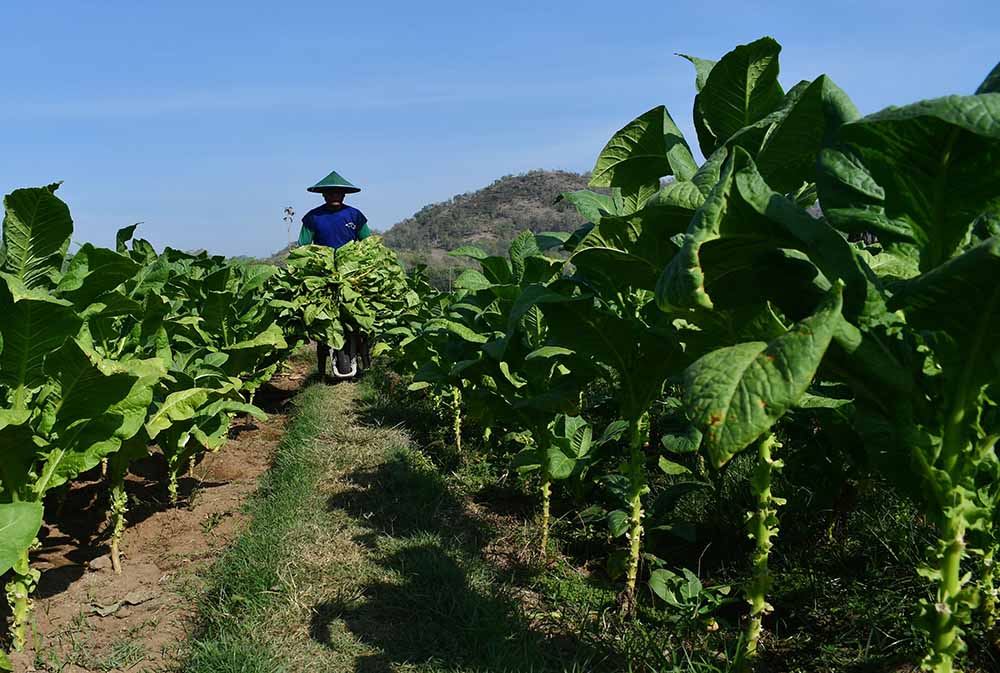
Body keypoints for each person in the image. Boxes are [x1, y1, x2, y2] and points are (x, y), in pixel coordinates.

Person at [299, 169, 372, 380]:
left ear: (344, 195)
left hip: (353, 273)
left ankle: (365, 361)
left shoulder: (355, 215)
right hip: (323, 274)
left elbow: (367, 243)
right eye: (330, 193)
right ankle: (321, 369)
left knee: (362, 317)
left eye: (338, 193)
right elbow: (303, 245)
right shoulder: (313, 217)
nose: (335, 196)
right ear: (323, 195)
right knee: (320, 318)